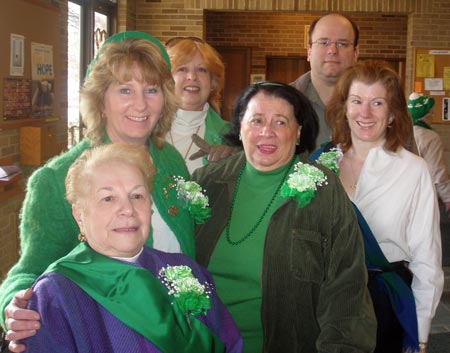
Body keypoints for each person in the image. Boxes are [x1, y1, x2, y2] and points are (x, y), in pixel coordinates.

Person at [1, 31, 197, 352]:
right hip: (103, 339)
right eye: (124, 90)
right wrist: (13, 304)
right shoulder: (55, 179)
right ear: (100, 100)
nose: (140, 104)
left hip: (178, 334)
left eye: (151, 89)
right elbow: (29, 271)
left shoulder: (170, 162)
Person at [192, 82, 377, 353]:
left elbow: (346, 288)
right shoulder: (207, 183)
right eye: (256, 120)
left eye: (281, 122)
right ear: (240, 127)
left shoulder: (323, 191)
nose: (267, 132)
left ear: (298, 132)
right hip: (203, 343)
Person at [20, 143, 242, 353]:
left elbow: (230, 344)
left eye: (137, 196)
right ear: (79, 215)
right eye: (108, 198)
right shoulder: (56, 295)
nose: (128, 209)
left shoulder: (187, 271)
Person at [320, 60, 444, 353]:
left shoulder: (413, 170)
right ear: (344, 108)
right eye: (357, 101)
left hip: (381, 301)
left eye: (377, 103)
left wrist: (420, 334)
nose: (365, 113)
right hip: (324, 297)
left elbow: (427, 259)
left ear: (392, 114)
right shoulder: (321, 164)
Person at [165, 37, 238, 173]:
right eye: (182, 69)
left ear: (213, 83)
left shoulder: (232, 137)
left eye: (202, 70)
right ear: (167, 80)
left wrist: (238, 164)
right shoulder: (144, 131)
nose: (192, 76)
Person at [291, 13, 359, 145]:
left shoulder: (381, 106)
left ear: (356, 53)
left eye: (342, 44)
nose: (332, 50)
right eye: (324, 42)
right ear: (309, 51)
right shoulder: (280, 102)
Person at [407, 92, 450, 219]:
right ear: (423, 117)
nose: (432, 116)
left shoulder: (400, 133)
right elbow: (437, 173)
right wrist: (448, 198)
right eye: (431, 113)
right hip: (422, 196)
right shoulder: (431, 137)